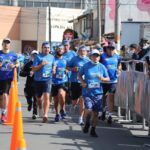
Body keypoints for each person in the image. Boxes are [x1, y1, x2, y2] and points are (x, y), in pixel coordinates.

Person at [78, 49, 109, 137]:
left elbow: (108, 78)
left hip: (98, 93)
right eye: (94, 56)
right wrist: (83, 82)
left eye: (97, 56)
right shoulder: (86, 65)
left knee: (96, 113)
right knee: (89, 109)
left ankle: (93, 130)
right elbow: (79, 75)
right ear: (90, 57)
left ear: (99, 57)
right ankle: (87, 122)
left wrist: (103, 79)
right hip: (87, 92)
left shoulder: (102, 67)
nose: (95, 58)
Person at [32, 42, 54, 123]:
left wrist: (54, 68)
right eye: (45, 47)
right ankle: (40, 107)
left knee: (46, 96)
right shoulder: (38, 57)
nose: (47, 49)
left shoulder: (52, 57)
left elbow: (54, 64)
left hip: (48, 79)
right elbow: (34, 68)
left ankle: (45, 114)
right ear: (42, 48)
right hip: (38, 80)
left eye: (48, 47)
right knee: (38, 98)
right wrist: (41, 65)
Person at [67, 45, 90, 125]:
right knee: (74, 100)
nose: (83, 52)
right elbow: (67, 67)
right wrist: (73, 69)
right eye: (81, 51)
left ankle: (80, 119)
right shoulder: (74, 59)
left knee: (82, 99)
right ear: (78, 52)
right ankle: (72, 106)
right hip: (74, 81)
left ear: (87, 52)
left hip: (83, 83)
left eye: (84, 51)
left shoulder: (88, 60)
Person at [101, 42, 121, 124]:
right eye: (109, 48)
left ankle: (110, 115)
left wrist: (118, 70)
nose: (111, 50)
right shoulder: (102, 56)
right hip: (104, 80)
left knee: (111, 96)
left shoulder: (117, 57)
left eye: (113, 48)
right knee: (103, 96)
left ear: (114, 49)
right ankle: (103, 110)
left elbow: (119, 65)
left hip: (113, 80)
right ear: (107, 48)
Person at [0, 38, 19, 123]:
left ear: (9, 45)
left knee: (5, 95)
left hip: (7, 78)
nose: (6, 44)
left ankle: (4, 113)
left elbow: (18, 63)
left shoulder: (13, 55)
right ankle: (2, 112)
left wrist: (14, 65)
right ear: (2, 44)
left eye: (8, 43)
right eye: (5, 43)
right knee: (1, 97)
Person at [20, 50, 39, 119]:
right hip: (29, 84)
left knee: (36, 99)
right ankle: (29, 103)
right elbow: (21, 73)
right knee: (28, 97)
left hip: (37, 84)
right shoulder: (28, 64)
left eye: (36, 55)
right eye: (33, 55)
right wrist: (28, 73)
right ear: (31, 55)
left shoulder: (39, 64)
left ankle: (34, 113)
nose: (35, 56)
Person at [51, 45, 68, 122]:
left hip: (63, 81)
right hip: (54, 81)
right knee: (56, 100)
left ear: (64, 50)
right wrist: (53, 70)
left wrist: (67, 70)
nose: (60, 50)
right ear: (56, 50)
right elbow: (53, 66)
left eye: (61, 49)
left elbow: (68, 67)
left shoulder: (65, 59)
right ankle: (57, 114)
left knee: (61, 94)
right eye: (59, 49)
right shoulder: (53, 58)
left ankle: (62, 109)